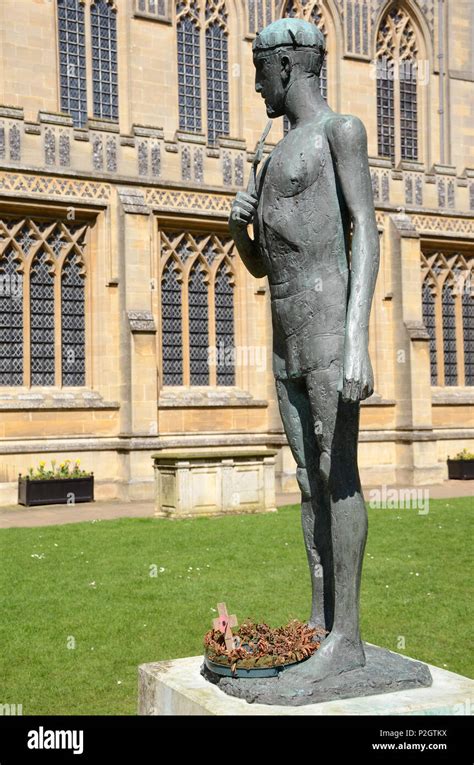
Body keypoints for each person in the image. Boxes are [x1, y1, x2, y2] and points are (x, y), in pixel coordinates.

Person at [229, 17, 380, 681]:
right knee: (306, 480)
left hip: (327, 332)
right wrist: (241, 233)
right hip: (286, 335)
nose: (256, 82)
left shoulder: (339, 133)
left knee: (335, 468)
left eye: (260, 69)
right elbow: (264, 268)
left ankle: (348, 635)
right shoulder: (271, 157)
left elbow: (366, 234)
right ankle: (319, 621)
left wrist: (356, 340)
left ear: (286, 66)